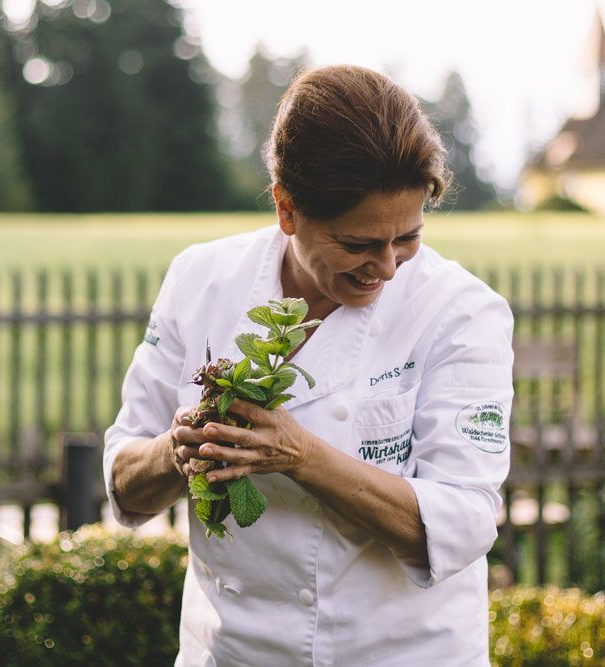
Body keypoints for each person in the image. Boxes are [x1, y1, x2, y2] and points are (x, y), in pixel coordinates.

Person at [103, 64, 513, 666]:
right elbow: (124, 484)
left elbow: (467, 520)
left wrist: (300, 455)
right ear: (287, 210)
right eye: (359, 244)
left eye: (407, 238)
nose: (388, 267)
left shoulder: (461, 311)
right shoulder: (201, 280)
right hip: (234, 652)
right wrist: (181, 448)